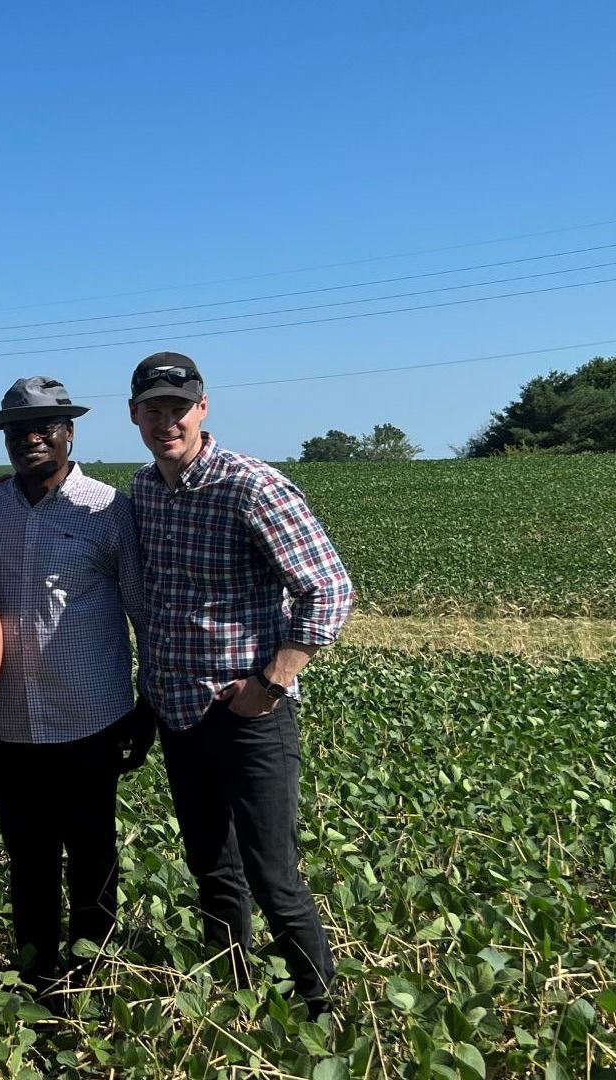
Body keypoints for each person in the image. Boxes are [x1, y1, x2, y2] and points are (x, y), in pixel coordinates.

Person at [127, 352, 354, 1014]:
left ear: (203, 408)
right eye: (154, 409)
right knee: (212, 866)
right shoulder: (144, 490)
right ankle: (234, 991)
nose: (167, 420)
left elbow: (329, 589)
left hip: (248, 715)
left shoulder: (251, 486)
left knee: (273, 873)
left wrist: (273, 683)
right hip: (178, 711)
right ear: (134, 414)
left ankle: (321, 1007)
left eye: (179, 407)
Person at [0, 376, 153, 986]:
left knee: (94, 853)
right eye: (19, 430)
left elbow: (141, 612)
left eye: (45, 426)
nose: (32, 438)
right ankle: (39, 974)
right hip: (10, 719)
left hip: (90, 716)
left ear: (69, 431)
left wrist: (145, 703)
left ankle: (91, 973)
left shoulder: (108, 507)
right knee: (27, 859)